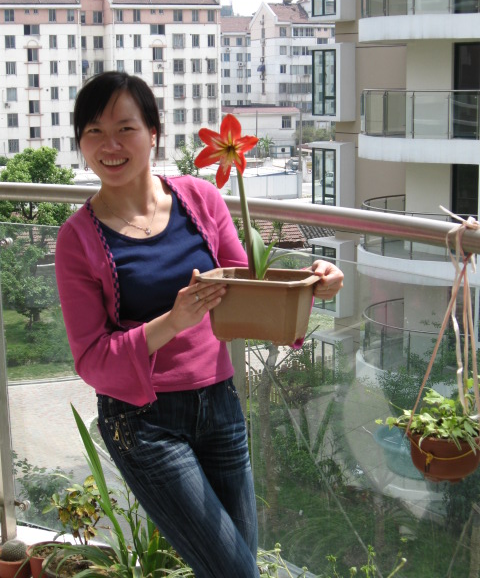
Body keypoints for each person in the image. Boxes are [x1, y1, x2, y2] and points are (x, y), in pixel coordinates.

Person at [55, 71, 344, 578]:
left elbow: (248, 286)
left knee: (237, 566)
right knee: (236, 572)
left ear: (153, 133)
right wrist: (174, 321)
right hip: (142, 422)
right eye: (94, 131)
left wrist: (311, 283)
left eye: (125, 128)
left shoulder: (199, 199)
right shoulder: (77, 240)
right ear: (80, 142)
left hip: (219, 403)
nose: (110, 145)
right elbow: (92, 360)